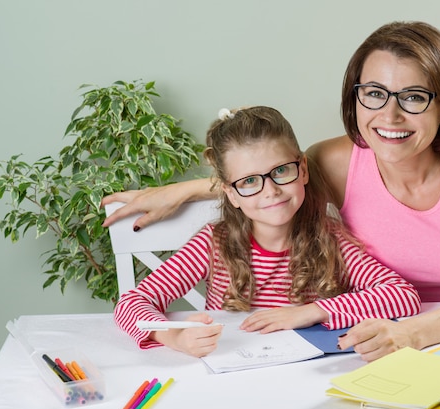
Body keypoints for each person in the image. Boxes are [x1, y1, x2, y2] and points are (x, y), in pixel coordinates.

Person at [105, 21, 440, 361]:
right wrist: (182, 191)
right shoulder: (333, 160)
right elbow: (266, 178)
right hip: (360, 339)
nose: (390, 115)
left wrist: (405, 333)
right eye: (374, 94)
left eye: (413, 96)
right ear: (355, 98)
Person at [113, 106, 421, 358]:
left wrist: (310, 312)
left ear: (302, 168)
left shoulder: (330, 239)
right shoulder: (213, 244)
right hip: (230, 375)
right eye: (248, 181)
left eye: (280, 171)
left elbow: (402, 297)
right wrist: (174, 336)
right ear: (230, 193)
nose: (270, 191)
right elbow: (130, 304)